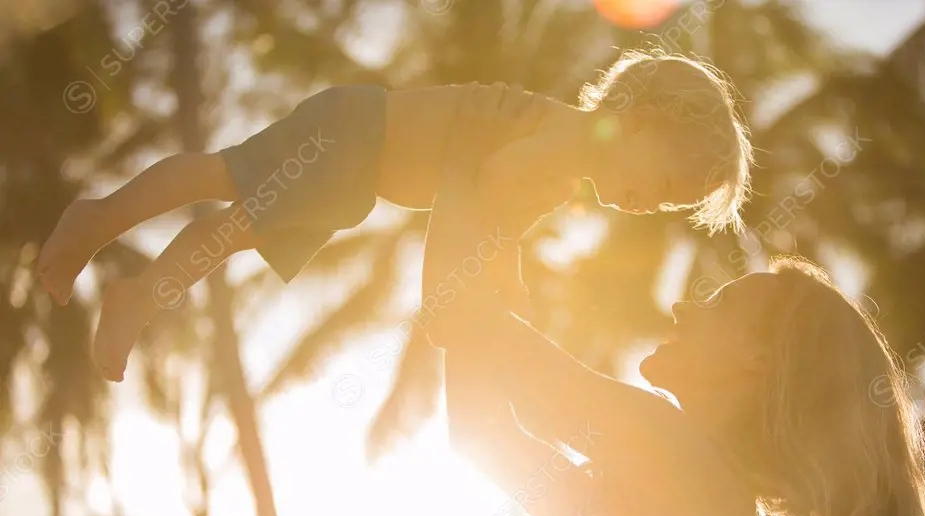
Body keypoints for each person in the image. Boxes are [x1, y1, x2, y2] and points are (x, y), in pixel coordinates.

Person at [421, 87, 925, 516]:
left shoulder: (679, 460)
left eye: (718, 303)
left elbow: (480, 333)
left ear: (759, 364)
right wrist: (477, 224)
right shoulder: (660, 490)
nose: (684, 308)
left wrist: (472, 186)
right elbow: (480, 433)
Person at [35, 48, 752, 383]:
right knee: (223, 177)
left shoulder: (565, 167)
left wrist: (506, 285)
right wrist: (498, 288)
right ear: (642, 117)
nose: (646, 205)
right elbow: (490, 185)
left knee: (238, 227)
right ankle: (97, 219)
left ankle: (139, 295)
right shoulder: (569, 138)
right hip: (358, 135)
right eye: (659, 183)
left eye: (666, 204)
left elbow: (496, 217)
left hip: (361, 169)